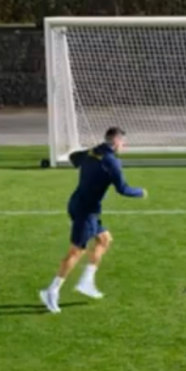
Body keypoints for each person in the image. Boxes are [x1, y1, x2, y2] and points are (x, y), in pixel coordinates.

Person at [39, 126, 147, 313]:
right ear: (115, 142)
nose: (124, 146)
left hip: (78, 204)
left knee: (104, 239)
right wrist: (141, 192)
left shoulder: (93, 152)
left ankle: (86, 282)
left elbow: (74, 158)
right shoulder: (112, 162)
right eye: (123, 142)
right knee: (76, 252)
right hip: (86, 211)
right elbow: (123, 189)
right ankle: (51, 291)